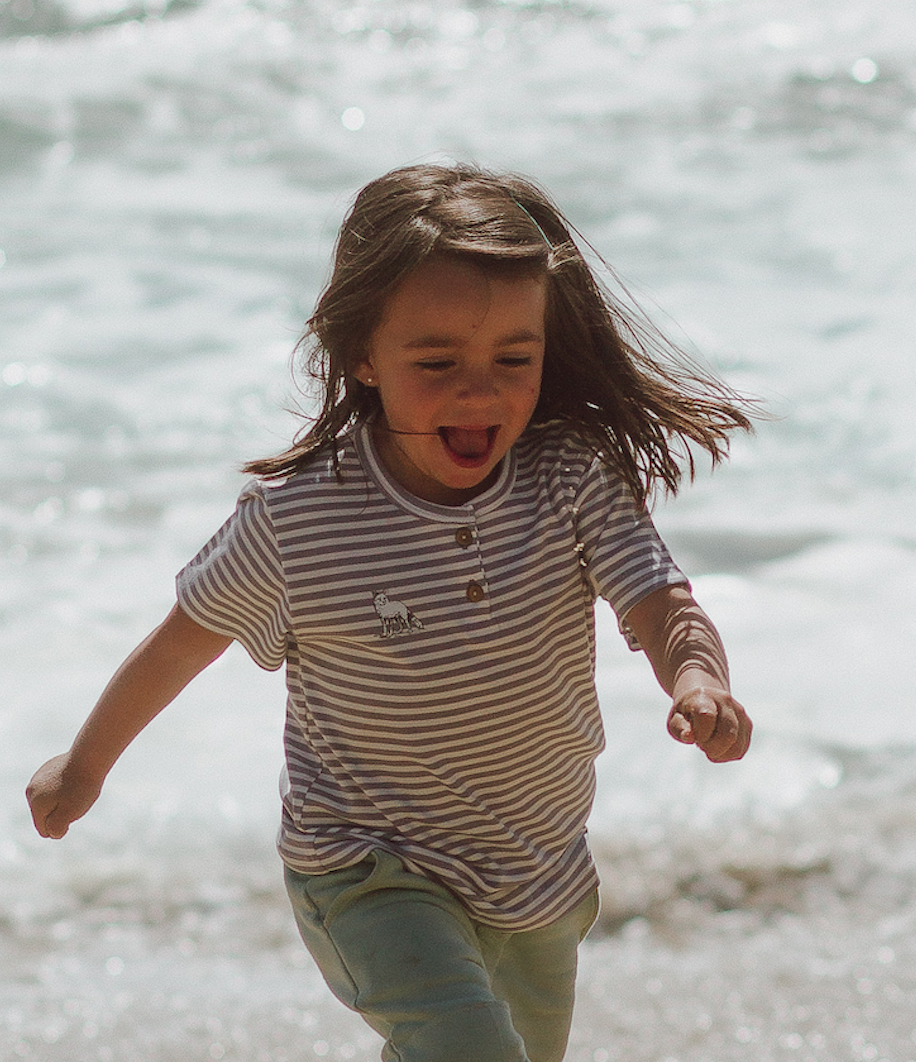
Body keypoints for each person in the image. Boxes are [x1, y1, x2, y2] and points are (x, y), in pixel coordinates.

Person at [27, 163, 753, 1062]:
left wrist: (697, 674)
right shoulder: (301, 522)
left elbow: (658, 599)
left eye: (513, 360)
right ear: (362, 353)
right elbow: (182, 644)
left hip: (538, 873)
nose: (479, 391)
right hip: (368, 867)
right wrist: (85, 765)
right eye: (437, 361)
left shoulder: (569, 480)